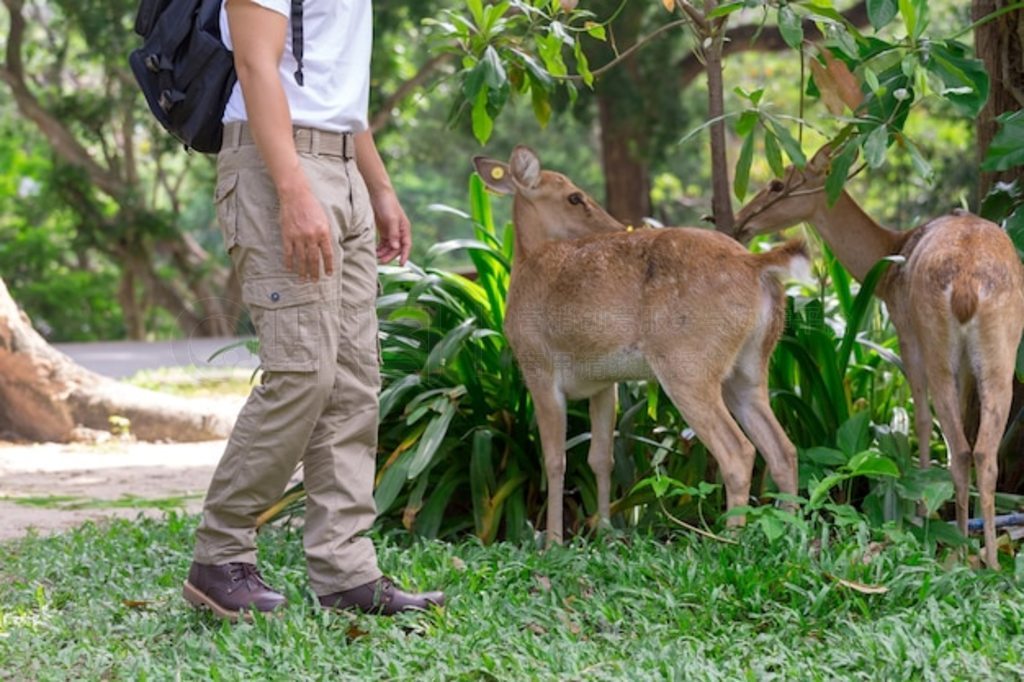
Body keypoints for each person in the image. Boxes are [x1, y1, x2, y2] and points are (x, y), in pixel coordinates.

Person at [182, 0, 444, 620]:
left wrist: (378, 188)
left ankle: (345, 570)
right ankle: (219, 555)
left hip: (343, 167)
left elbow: (335, 90)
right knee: (303, 371)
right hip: (280, 167)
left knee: (355, 379)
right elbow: (255, 61)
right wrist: (294, 191)